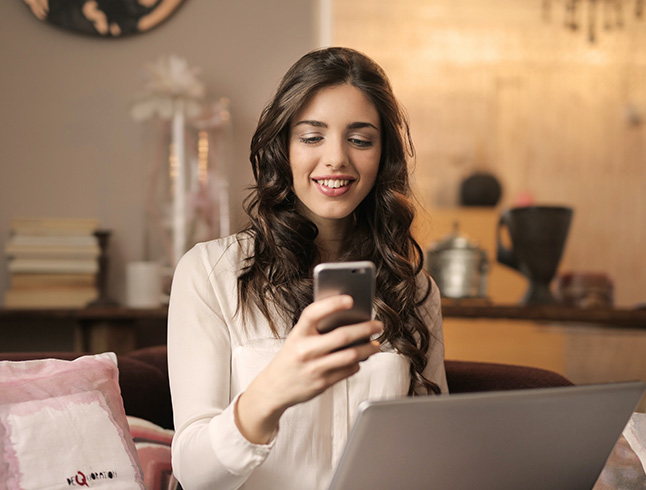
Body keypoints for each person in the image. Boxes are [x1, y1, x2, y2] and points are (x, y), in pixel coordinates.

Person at [167, 46, 447, 490]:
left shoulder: (411, 288)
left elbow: (432, 449)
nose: (336, 158)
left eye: (360, 140)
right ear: (283, 147)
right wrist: (273, 389)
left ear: (383, 155)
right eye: (312, 137)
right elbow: (194, 472)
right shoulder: (210, 273)